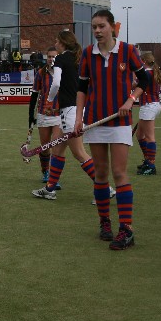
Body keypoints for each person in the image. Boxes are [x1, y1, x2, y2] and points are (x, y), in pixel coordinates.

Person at [75, 10, 151, 250]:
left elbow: (145, 81)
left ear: (111, 27)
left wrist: (130, 100)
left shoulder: (128, 51)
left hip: (119, 122)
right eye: (94, 27)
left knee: (119, 173)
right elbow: (82, 89)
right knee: (100, 174)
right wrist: (79, 118)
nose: (97, 31)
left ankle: (126, 229)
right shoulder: (88, 53)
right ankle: (104, 223)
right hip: (95, 121)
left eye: (101, 26)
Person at [31, 29, 98, 201]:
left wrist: (50, 98)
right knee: (58, 151)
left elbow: (56, 83)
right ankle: (50, 189)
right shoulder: (79, 58)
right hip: (75, 109)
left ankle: (104, 188)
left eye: (57, 41)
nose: (55, 43)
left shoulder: (61, 59)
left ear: (63, 43)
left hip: (70, 112)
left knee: (79, 153)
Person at [27, 47, 61, 183]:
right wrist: (31, 115)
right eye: (49, 56)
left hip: (59, 114)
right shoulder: (40, 73)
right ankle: (45, 171)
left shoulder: (63, 72)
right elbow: (34, 95)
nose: (51, 59)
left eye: (54, 57)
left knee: (57, 146)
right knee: (45, 147)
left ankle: (54, 177)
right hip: (43, 114)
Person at [134, 51, 161, 176]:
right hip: (153, 105)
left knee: (150, 137)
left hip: (148, 106)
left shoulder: (146, 73)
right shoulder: (153, 72)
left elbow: (134, 85)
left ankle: (151, 166)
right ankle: (147, 160)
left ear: (144, 61)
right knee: (139, 134)